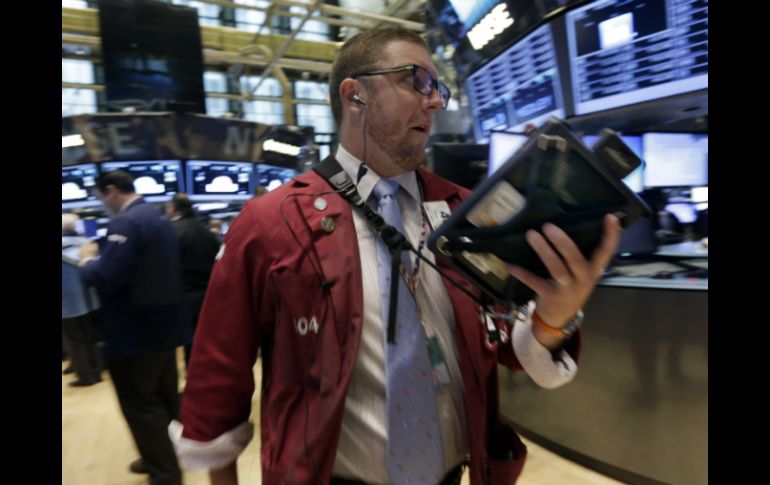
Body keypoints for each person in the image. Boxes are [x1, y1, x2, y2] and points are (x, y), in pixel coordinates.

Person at [172, 28, 621, 485]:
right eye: (417, 81)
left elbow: (509, 342)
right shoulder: (270, 222)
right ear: (355, 95)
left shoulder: (465, 211)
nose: (436, 101)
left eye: (439, 88)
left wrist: (554, 317)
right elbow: (219, 380)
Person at [78, 170, 190, 485]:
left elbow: (106, 276)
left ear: (112, 190)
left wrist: (87, 260)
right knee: (165, 398)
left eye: (101, 197)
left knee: (141, 405)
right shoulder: (157, 217)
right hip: (163, 328)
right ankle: (168, 455)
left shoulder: (125, 223)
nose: (102, 203)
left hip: (134, 332)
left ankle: (164, 473)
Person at [165, 193, 221, 367]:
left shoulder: (171, 231)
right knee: (205, 343)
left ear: (173, 208)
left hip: (183, 296)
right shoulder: (208, 232)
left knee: (187, 344)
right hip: (208, 296)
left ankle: (193, 375)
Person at [62, 213, 103, 387]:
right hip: (91, 299)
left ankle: (86, 376)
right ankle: (97, 370)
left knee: (75, 340)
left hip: (68, 304)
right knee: (91, 337)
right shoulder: (88, 244)